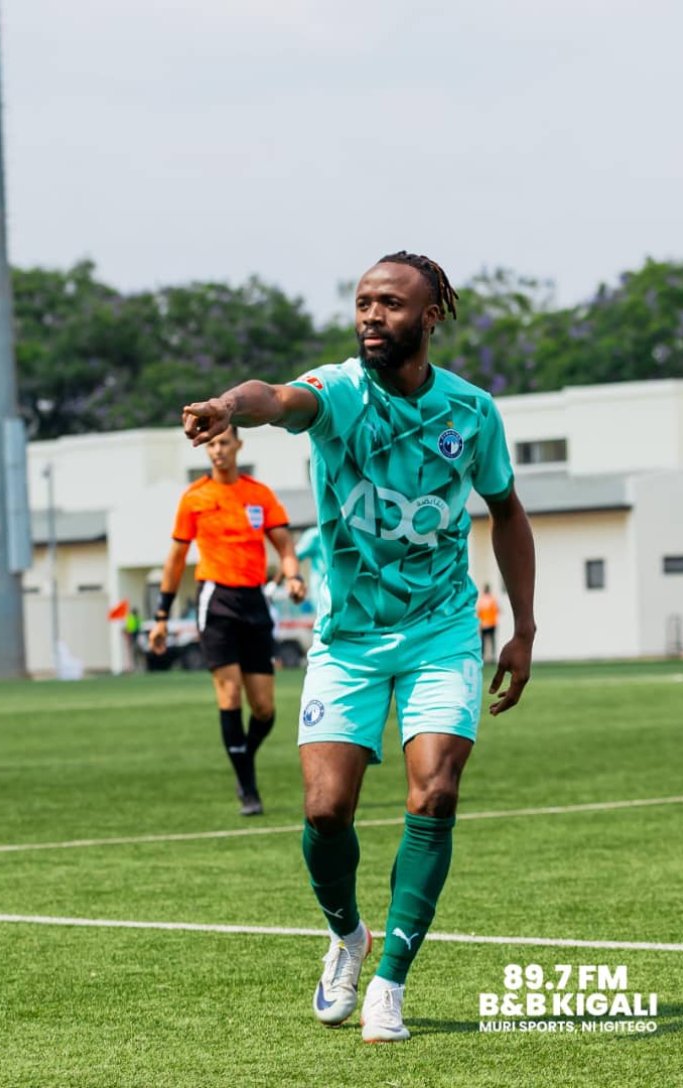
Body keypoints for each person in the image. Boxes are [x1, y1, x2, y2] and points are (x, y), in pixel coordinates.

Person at [181, 252, 535, 1043]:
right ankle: (347, 935)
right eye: (363, 301)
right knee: (324, 810)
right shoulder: (341, 391)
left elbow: (507, 510)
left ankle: (390, 984)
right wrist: (228, 406)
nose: (372, 315)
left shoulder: (472, 412)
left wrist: (524, 626)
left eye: (391, 303)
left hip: (442, 630)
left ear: (430, 316)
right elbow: (276, 398)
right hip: (348, 640)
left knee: (434, 793)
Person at [148, 425, 307, 816]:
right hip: (216, 600)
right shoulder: (195, 498)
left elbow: (285, 544)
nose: (218, 449)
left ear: (238, 445)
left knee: (265, 708)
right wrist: (162, 616)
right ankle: (249, 790)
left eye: (224, 442)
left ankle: (243, 758)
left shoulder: (259, 494)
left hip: (254, 601)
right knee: (230, 694)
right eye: (212, 444)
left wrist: (293, 576)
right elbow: (175, 560)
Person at [476, 583, 500, 664]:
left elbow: (479, 613)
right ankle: (493, 656)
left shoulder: (481, 600)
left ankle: (483, 657)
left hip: (483, 624)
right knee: (492, 641)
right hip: (492, 624)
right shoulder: (492, 599)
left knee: (483, 642)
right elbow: (496, 610)